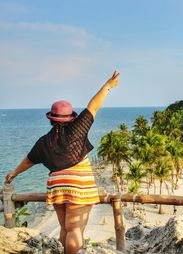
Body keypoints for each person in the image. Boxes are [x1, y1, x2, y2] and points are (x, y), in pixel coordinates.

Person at [5, 71, 120, 254]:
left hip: (57, 184)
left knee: (65, 228)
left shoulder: (44, 141)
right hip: (78, 183)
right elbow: (93, 106)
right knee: (75, 229)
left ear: (51, 118)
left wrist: (14, 173)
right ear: (71, 118)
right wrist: (108, 85)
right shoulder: (77, 129)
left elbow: (29, 160)